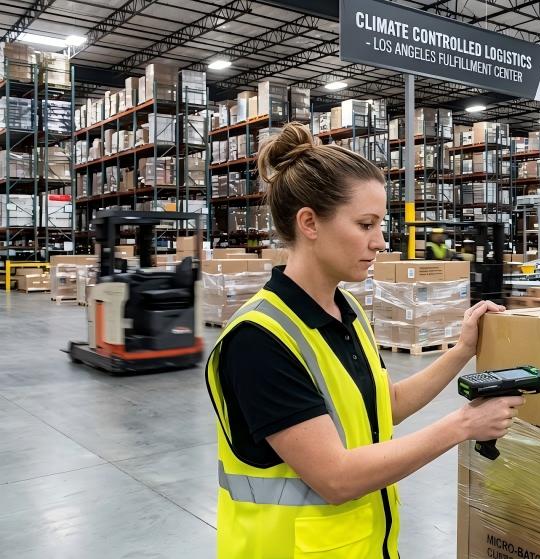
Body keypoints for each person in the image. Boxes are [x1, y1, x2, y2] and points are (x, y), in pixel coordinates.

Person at [205, 122, 523, 558]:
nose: (379, 241)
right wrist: (463, 425)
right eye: (365, 224)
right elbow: (335, 477)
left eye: (381, 224)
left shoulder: (347, 311)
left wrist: (462, 350)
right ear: (309, 222)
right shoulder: (259, 340)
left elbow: (383, 404)